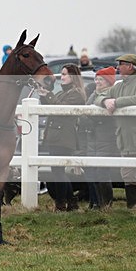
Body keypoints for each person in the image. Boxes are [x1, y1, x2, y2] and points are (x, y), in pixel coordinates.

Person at [94, 53, 136, 207]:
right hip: (124, 136)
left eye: (121, 64)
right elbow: (98, 96)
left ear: (130, 66)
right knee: (127, 173)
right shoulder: (119, 86)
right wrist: (105, 100)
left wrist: (116, 102)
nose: (117, 67)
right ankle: (133, 206)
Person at [38, 64, 87, 211]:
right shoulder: (61, 93)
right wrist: (43, 95)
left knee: (59, 172)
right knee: (57, 171)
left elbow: (61, 109)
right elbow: (51, 108)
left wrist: (49, 95)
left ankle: (62, 203)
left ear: (73, 76)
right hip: (56, 136)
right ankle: (71, 202)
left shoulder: (77, 93)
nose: (62, 77)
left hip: (64, 137)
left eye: (65, 74)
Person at [81, 66, 119, 209]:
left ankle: (106, 203)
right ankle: (95, 202)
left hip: (105, 137)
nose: (97, 81)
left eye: (101, 79)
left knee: (102, 171)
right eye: (96, 79)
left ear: (109, 81)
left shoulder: (111, 94)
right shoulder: (94, 94)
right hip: (92, 138)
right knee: (91, 171)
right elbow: (86, 110)